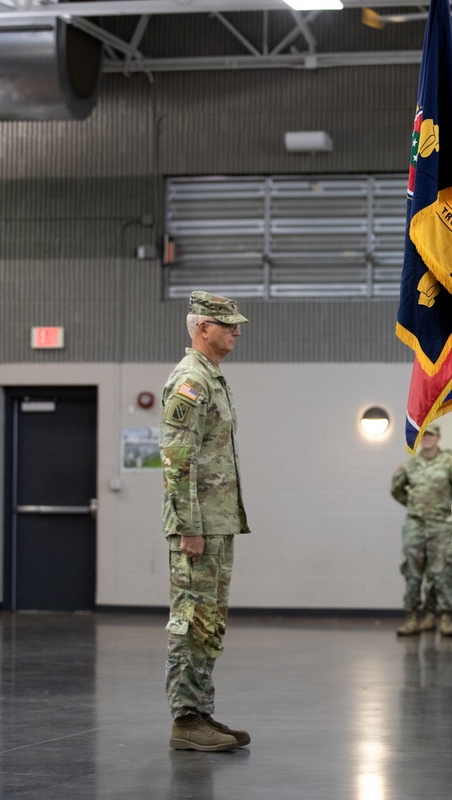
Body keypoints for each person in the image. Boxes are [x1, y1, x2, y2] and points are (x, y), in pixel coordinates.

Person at [162, 291, 250, 752]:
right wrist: (188, 527)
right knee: (191, 618)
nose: (236, 330)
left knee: (209, 620)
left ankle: (200, 711)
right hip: (198, 525)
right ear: (202, 328)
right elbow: (178, 461)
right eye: (228, 324)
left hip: (217, 521)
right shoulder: (190, 381)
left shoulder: (213, 377)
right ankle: (184, 718)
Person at [390, 424, 452, 637]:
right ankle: (412, 617)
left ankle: (447, 617)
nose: (427, 439)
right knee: (412, 572)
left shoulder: (449, 462)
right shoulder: (410, 466)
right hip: (416, 523)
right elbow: (396, 490)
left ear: (438, 437)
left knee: (442, 572)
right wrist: (414, 506)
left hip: (440, 523)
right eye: (424, 435)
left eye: (431, 435)